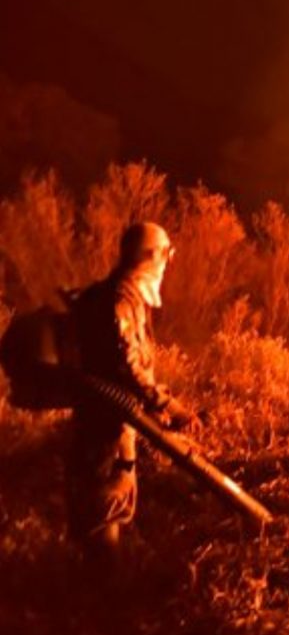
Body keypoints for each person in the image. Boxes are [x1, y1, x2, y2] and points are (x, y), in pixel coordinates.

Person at [67, 221, 193, 561]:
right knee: (105, 507)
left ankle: (92, 594)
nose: (169, 261)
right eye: (167, 253)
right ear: (151, 256)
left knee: (105, 506)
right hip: (105, 431)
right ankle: (102, 602)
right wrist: (170, 406)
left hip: (105, 425)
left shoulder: (112, 294)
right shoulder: (121, 300)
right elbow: (128, 365)